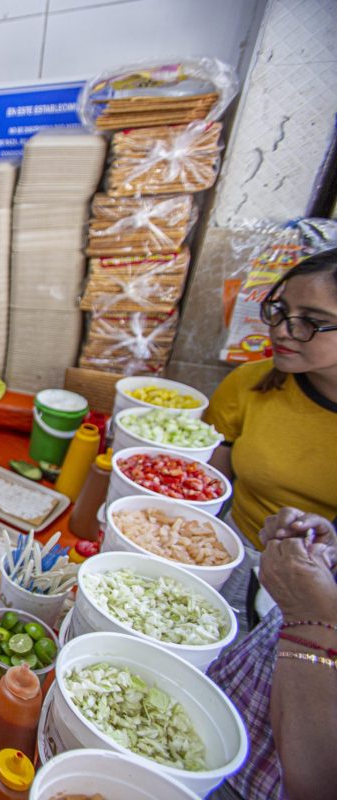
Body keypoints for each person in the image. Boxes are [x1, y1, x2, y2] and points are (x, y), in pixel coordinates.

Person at [205, 250, 337, 613]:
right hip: (229, 552)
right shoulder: (252, 382)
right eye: (279, 310)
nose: (280, 329)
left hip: (320, 591)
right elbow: (208, 486)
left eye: (311, 321)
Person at [207, 506, 337, 800]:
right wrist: (325, 557)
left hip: (250, 785)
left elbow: (319, 788)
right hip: (227, 708)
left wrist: (310, 616)